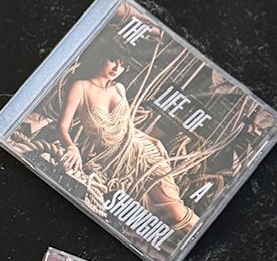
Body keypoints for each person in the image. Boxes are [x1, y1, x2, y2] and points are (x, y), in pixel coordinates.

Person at [58, 39, 197, 232]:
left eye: (122, 65)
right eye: (113, 61)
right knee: (160, 216)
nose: (117, 68)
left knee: (175, 211)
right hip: (115, 161)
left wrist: (153, 140)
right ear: (102, 58)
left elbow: (128, 127)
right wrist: (71, 146)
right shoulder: (81, 87)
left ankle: (201, 234)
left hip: (143, 151)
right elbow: (62, 126)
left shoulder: (118, 88)